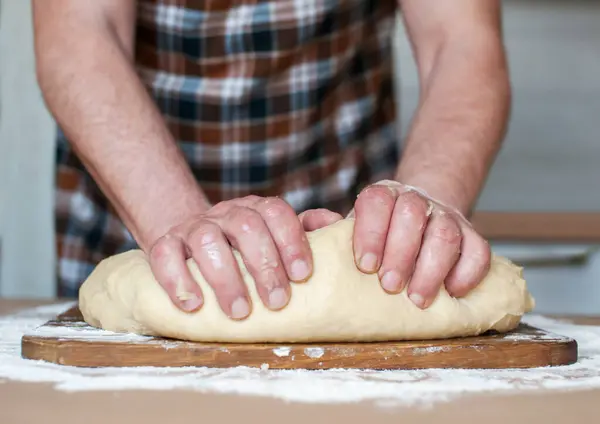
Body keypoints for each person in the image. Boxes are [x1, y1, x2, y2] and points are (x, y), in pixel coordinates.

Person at [32, 0, 510, 321]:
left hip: (357, 239)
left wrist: (420, 207)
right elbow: (81, 32)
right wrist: (181, 225)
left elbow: (460, 41)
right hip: (138, 218)